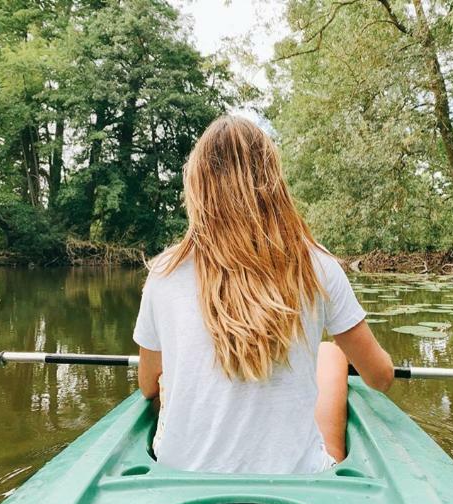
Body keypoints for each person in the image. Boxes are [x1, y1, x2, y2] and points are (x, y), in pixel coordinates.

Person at [133, 115, 393, 474]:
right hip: (291, 480)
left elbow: (148, 386)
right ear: (273, 183)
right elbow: (380, 378)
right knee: (331, 354)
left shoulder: (163, 273)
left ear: (196, 186)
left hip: (181, 477)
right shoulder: (318, 265)